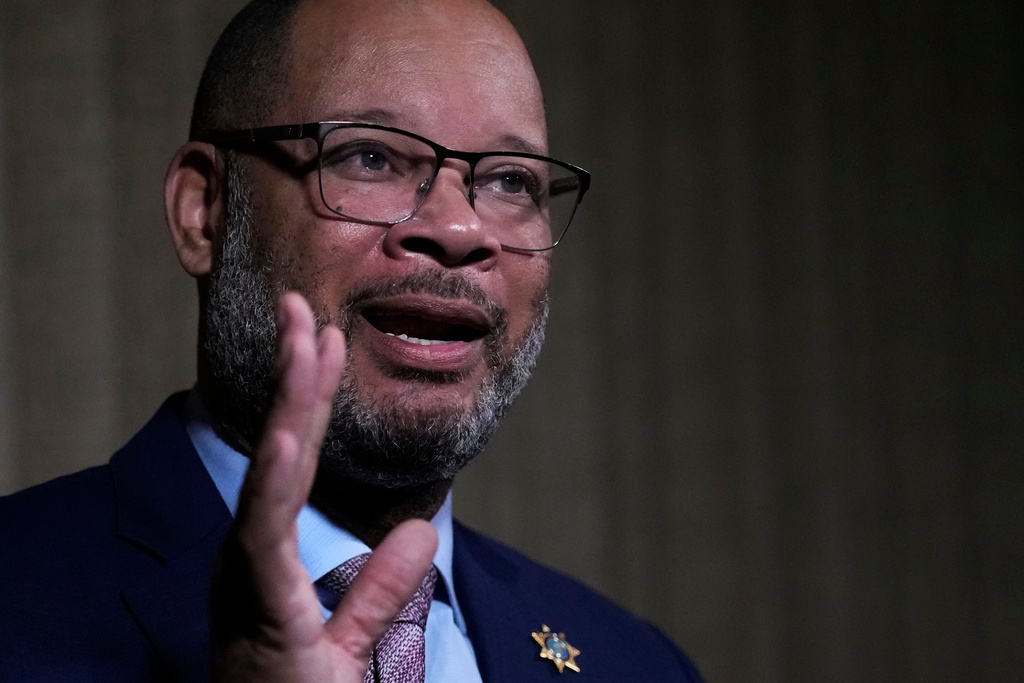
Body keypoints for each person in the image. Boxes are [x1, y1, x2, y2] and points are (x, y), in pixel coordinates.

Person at [0, 0, 703, 680]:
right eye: (370, 157)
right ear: (205, 211)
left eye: (510, 180)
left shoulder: (637, 662)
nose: (461, 231)